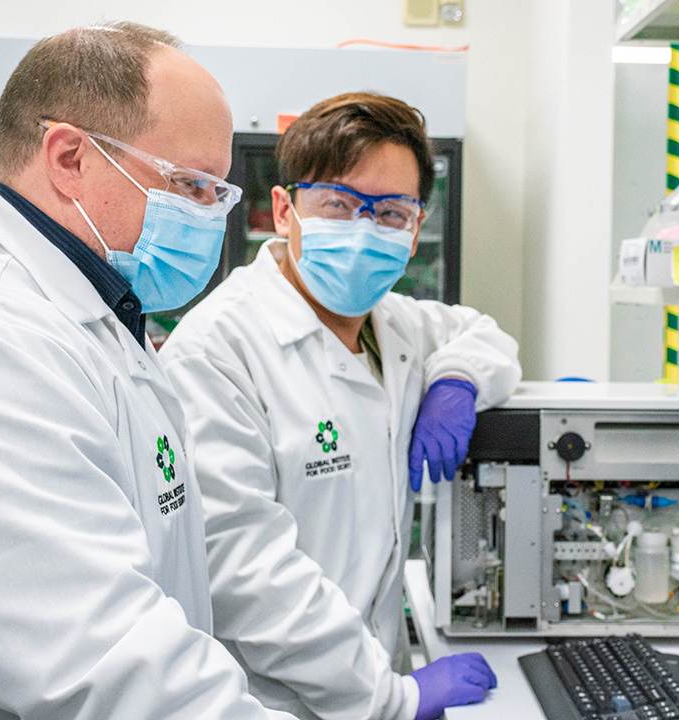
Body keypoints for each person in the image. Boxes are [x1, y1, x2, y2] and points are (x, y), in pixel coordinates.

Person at [0, 22, 296, 719]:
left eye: (216, 192)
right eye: (191, 185)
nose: (209, 219)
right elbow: (104, 666)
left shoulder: (83, 319)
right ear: (69, 157)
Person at [159, 92, 522, 720]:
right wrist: (391, 699)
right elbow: (246, 571)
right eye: (339, 204)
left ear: (415, 232)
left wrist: (457, 379)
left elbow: (486, 336)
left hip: (378, 674)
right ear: (283, 210)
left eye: (391, 213)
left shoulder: (396, 324)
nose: (365, 229)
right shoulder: (218, 350)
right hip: (272, 701)